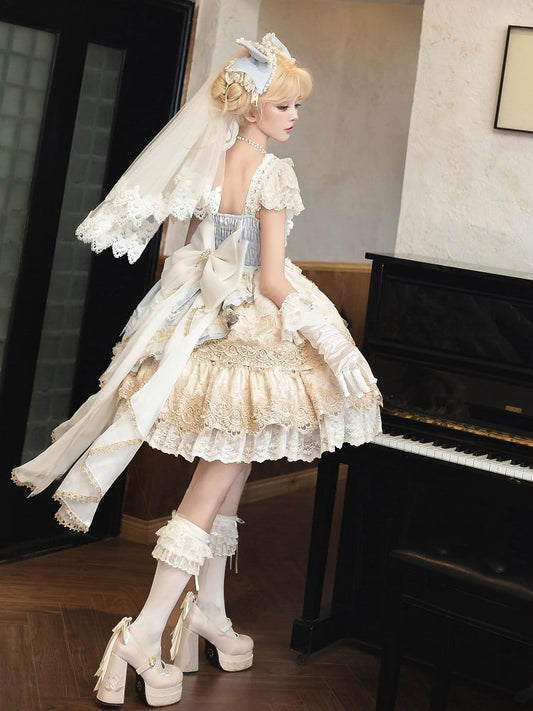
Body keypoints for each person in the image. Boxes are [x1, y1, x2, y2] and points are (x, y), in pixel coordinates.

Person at [12, 33, 382, 706]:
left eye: (296, 105)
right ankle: (143, 632)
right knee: (214, 482)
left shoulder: (205, 167)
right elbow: (272, 279)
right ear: (250, 108)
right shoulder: (272, 173)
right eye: (283, 105)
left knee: (230, 473)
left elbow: (186, 257)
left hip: (201, 328)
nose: (294, 116)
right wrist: (333, 342)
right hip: (246, 332)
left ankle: (206, 613)